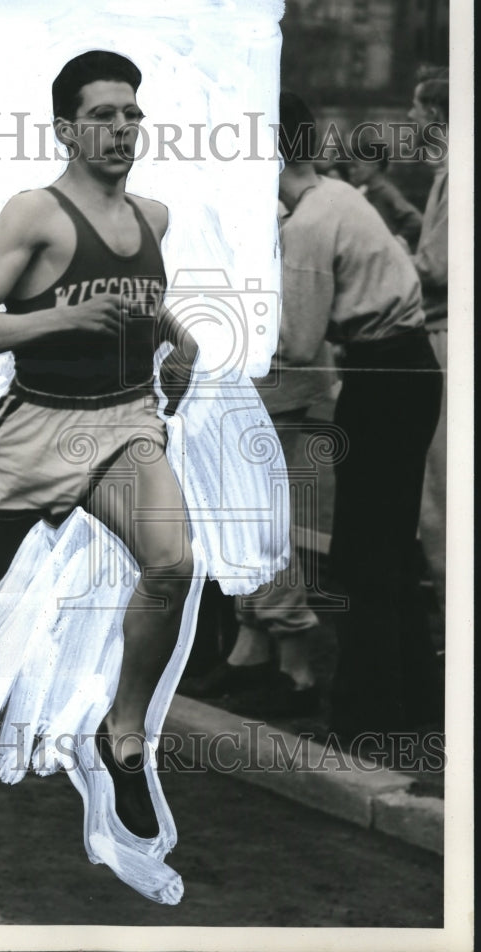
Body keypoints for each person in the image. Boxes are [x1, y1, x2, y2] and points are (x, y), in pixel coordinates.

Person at [0, 51, 198, 840]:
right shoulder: (35, 213)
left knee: (172, 563)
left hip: (122, 421)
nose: (122, 129)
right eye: (103, 116)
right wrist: (55, 319)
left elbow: (136, 300)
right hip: (37, 424)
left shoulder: (154, 217)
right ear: (65, 129)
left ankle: (122, 737)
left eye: (131, 114)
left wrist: (176, 339)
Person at [277, 92, 443, 738]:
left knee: (359, 554)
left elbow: (296, 343)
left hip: (379, 379)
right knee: (390, 552)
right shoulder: (340, 197)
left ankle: (363, 718)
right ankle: (412, 709)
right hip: (409, 369)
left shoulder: (304, 227)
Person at [179, 201, 333, 717]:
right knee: (242, 525)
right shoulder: (241, 206)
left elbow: (287, 329)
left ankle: (297, 669)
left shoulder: (270, 216)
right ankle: (250, 653)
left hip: (273, 393)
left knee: (263, 527)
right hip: (245, 390)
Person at [409, 72, 448, 619]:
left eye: (416, 110)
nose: (411, 121)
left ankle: (449, 620)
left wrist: (383, 256)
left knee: (437, 492)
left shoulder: (451, 175)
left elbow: (436, 266)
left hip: (443, 338)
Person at [347, 132, 423, 253]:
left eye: (356, 166)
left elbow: (416, 221)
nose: (352, 172)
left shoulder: (386, 192)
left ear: (374, 166)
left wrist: (395, 241)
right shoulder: (368, 192)